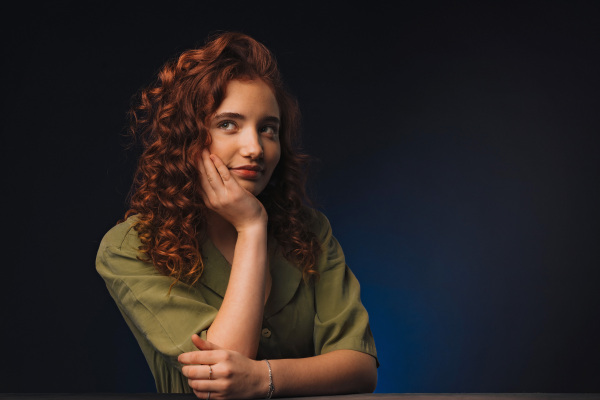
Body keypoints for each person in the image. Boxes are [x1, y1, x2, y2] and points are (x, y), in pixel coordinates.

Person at [96, 31, 378, 399]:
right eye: (228, 124)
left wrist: (264, 378)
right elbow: (219, 376)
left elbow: (360, 368)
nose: (255, 148)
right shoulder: (129, 247)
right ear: (187, 138)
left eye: (268, 129)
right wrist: (250, 226)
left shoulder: (310, 231)